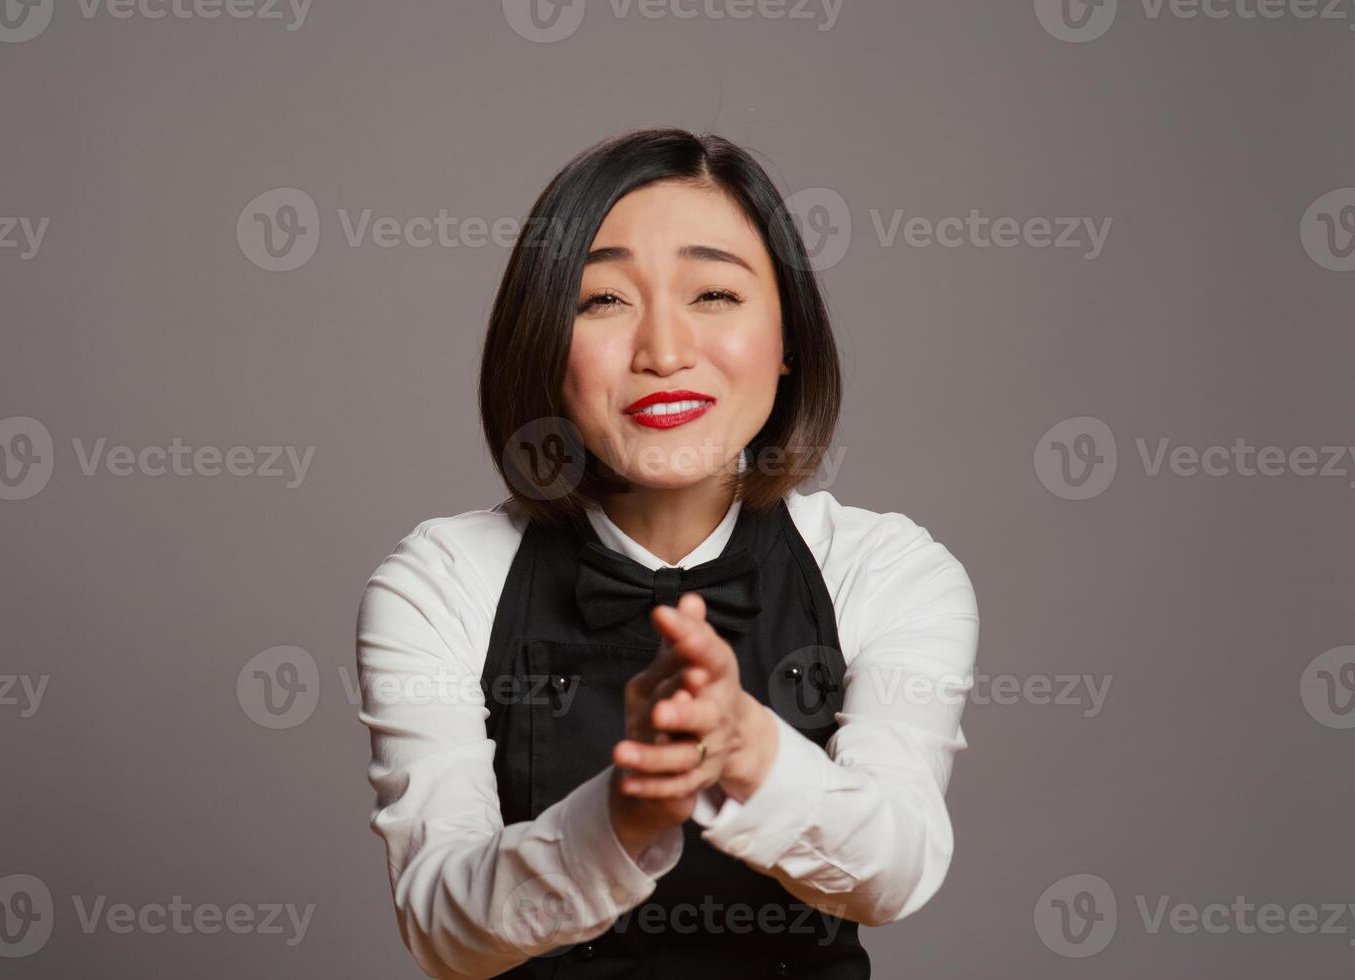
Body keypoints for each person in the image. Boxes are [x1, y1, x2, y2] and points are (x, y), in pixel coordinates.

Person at [355, 128, 980, 978]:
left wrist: (745, 750)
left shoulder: (888, 570)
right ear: (542, 343)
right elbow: (441, 924)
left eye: (714, 294)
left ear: (788, 338)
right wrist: (622, 814)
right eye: (603, 300)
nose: (662, 352)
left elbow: (894, 869)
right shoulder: (443, 578)